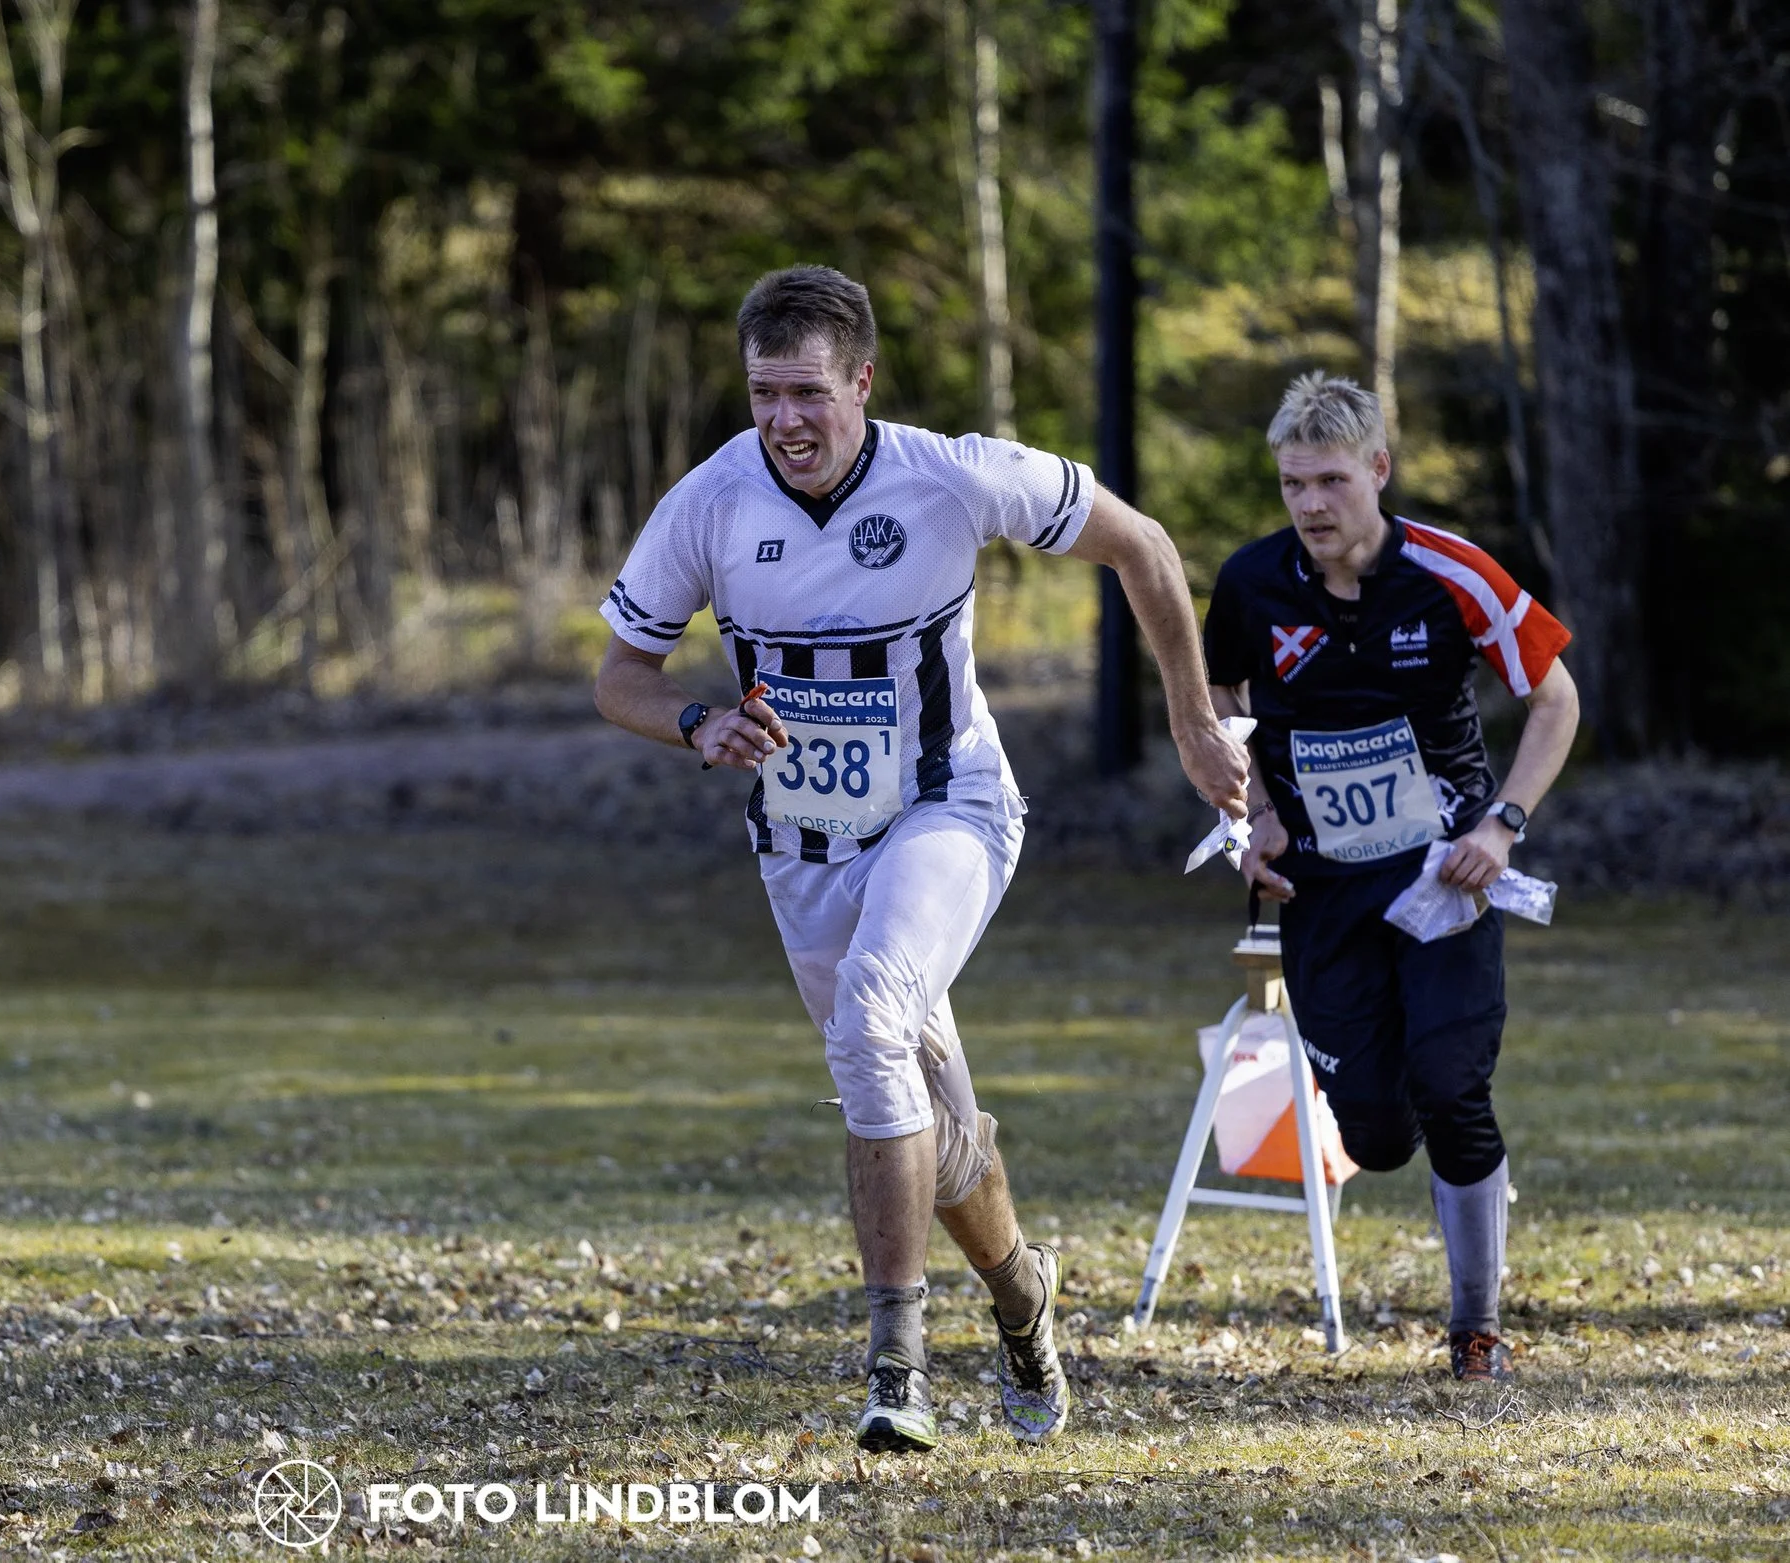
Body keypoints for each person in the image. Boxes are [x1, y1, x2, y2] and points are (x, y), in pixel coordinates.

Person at [594, 266, 1248, 1452]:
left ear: (862, 381)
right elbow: (617, 675)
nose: (784, 420)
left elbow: (1143, 546)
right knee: (925, 1121)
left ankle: (896, 1367)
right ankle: (1020, 1295)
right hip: (801, 848)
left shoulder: (949, 473)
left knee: (871, 1016)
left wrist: (1193, 723)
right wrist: (696, 722)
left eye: (806, 392)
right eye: (761, 394)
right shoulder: (709, 501)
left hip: (947, 809)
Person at [1203, 371, 1580, 1382]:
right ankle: (1456, 1160)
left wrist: (1501, 826)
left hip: (1440, 875)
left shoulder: (1453, 573)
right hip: (1320, 889)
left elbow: (1555, 700)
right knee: (1373, 1133)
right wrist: (1254, 815)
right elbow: (1218, 701)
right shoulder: (1249, 584)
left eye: (1329, 479)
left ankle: (1475, 1328)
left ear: (1377, 469)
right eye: (1291, 484)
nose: (1311, 504)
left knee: (1452, 1086)